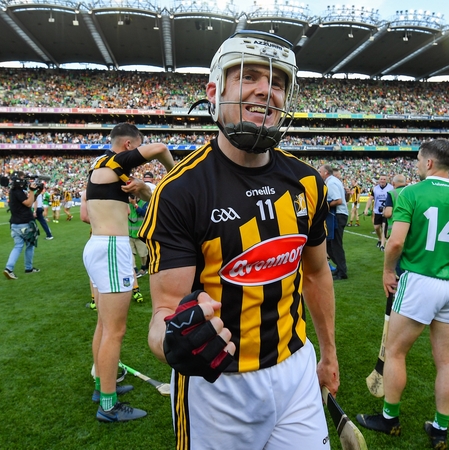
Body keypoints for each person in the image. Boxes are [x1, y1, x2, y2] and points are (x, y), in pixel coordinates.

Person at [139, 31, 338, 449]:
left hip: (296, 368)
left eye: (279, 82)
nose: (266, 89)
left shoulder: (305, 181)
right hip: (218, 385)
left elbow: (317, 274)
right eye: (250, 76)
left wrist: (328, 353)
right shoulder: (179, 191)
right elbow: (163, 312)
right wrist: (172, 341)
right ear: (215, 91)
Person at [357, 139, 449, 450]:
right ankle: (439, 429)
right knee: (446, 362)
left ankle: (390, 419)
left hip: (419, 282)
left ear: (428, 163)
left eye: (417, 160)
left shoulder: (412, 193)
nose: (416, 165)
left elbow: (396, 243)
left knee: (397, 353)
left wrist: (387, 271)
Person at [83, 123, 174, 423]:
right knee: (115, 331)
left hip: (97, 244)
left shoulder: (100, 166)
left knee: (104, 325)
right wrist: (174, 175)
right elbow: (160, 149)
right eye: (135, 148)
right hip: (111, 248)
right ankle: (108, 406)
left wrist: (143, 189)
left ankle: (102, 387)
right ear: (127, 146)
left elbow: (85, 214)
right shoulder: (118, 160)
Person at [3, 173, 41, 280]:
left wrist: (35, 193)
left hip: (15, 223)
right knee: (30, 245)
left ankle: (9, 268)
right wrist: (32, 191)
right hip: (24, 223)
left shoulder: (13, 191)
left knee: (18, 246)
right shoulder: (18, 192)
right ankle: (27, 268)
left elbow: (28, 201)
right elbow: (28, 204)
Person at [319, 164, 349, 280]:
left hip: (337, 215)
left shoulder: (331, 183)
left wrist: (323, 206)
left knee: (335, 244)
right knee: (331, 244)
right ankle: (339, 268)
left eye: (320, 171)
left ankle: (342, 271)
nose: (319, 173)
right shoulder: (333, 181)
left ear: (326, 172)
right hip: (338, 215)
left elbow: (338, 200)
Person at [365, 175, 394, 250]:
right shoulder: (375, 189)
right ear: (379, 180)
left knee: (384, 227)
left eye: (384, 179)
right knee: (376, 227)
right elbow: (370, 198)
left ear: (386, 180)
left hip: (386, 210)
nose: (382, 180)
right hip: (377, 211)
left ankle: (382, 245)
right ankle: (380, 239)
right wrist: (366, 208)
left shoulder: (391, 188)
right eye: (381, 179)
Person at [383, 174, 408, 238]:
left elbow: (388, 213)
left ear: (393, 183)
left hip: (395, 227)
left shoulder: (392, 193)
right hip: (409, 228)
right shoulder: (412, 192)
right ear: (406, 182)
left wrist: (384, 212)